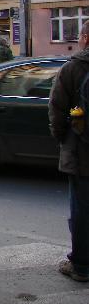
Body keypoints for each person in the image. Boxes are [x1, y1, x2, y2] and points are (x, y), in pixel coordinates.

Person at [48, 20, 89, 282]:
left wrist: (64, 139)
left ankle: (82, 267)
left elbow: (57, 111)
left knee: (83, 211)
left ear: (85, 37)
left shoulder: (73, 69)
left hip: (82, 153)